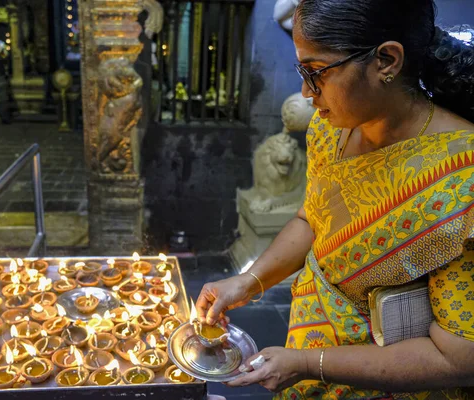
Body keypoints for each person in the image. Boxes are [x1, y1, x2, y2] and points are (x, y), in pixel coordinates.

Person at [197, 0, 474, 398]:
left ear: (387, 60)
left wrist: (312, 364)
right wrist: (247, 282)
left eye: (316, 73)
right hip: (308, 344)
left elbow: (458, 358)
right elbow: (311, 219)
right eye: (301, 71)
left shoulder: (462, 178)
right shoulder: (332, 130)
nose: (306, 93)